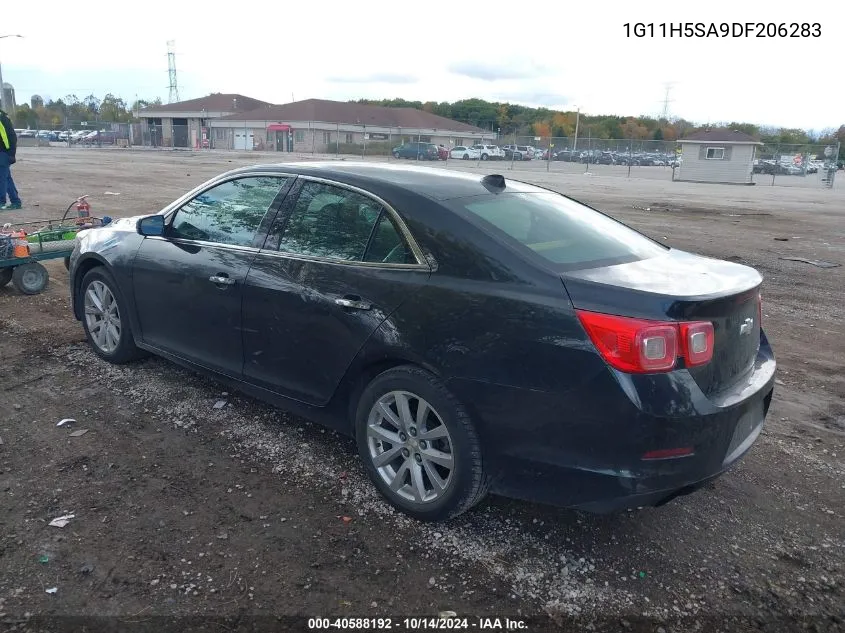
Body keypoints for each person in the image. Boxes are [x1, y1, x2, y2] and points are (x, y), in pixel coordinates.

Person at [0, 108, 22, 210]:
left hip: (3, 153)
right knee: (7, 178)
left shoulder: (3, 119)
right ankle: (16, 202)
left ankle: (1, 202)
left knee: (2, 178)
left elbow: (12, 137)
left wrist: (12, 154)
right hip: (5, 153)